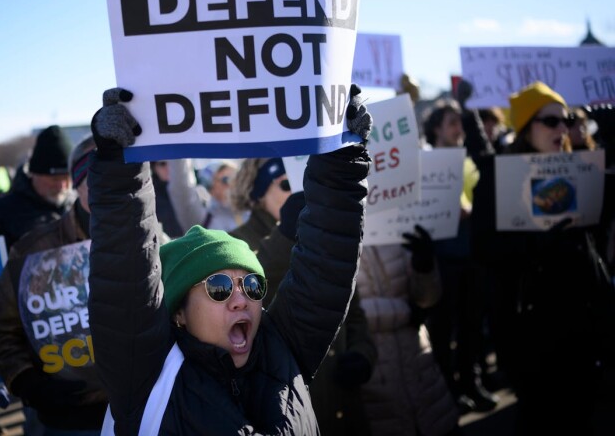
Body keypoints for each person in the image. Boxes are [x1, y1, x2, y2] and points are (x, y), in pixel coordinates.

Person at [87, 85, 372, 434]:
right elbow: (125, 275)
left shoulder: (282, 350)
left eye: (252, 286)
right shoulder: (147, 377)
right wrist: (119, 167)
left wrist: (342, 154)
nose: (241, 299)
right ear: (179, 312)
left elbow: (326, 264)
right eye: (219, 287)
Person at [471, 81, 615, 435]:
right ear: (525, 127)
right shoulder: (497, 180)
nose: (562, 128)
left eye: (567, 120)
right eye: (550, 121)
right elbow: (485, 251)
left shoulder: (582, 168)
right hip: (531, 333)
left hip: (582, 325)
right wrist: (533, 247)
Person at [0, 134, 109, 436]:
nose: (107, 186)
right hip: (67, 421)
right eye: (94, 177)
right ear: (77, 185)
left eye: (118, 177)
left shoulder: (153, 242)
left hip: (145, 413)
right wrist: (30, 384)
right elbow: (0, 332)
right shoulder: (34, 252)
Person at [258, 191, 377, 436]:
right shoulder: (240, 239)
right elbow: (254, 291)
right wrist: (284, 235)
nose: (293, 190)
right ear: (259, 193)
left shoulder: (324, 234)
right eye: (284, 184)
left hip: (347, 407)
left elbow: (353, 314)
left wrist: (363, 354)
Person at [421, 98, 498, 412]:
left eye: (460, 122)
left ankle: (471, 382)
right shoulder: (423, 163)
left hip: (471, 255)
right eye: (452, 122)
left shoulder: (468, 160)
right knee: (442, 331)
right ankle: (449, 391)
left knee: (471, 325)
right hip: (441, 260)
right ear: (436, 129)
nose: (459, 129)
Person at [357, 225, 460, 436]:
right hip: (373, 383)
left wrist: (425, 268)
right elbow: (343, 315)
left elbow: (427, 300)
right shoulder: (328, 239)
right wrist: (405, 311)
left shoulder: (395, 225)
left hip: (422, 370)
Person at [0, 125, 75, 248]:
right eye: (55, 179)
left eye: (67, 178)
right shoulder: (2, 212)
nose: (62, 186)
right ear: (34, 174)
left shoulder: (81, 204)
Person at [227, 156, 292, 249]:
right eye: (286, 184)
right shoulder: (236, 243)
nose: (296, 192)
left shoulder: (308, 231)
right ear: (260, 194)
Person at [166, 159, 247, 233]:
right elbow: (181, 187)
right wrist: (180, 152)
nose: (233, 185)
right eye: (226, 180)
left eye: (237, 178)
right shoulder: (204, 218)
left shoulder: (250, 211)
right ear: (211, 188)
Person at [150, 160, 185, 238]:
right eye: (162, 164)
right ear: (154, 168)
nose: (168, 167)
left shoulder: (189, 191)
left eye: (172, 163)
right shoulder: (150, 196)